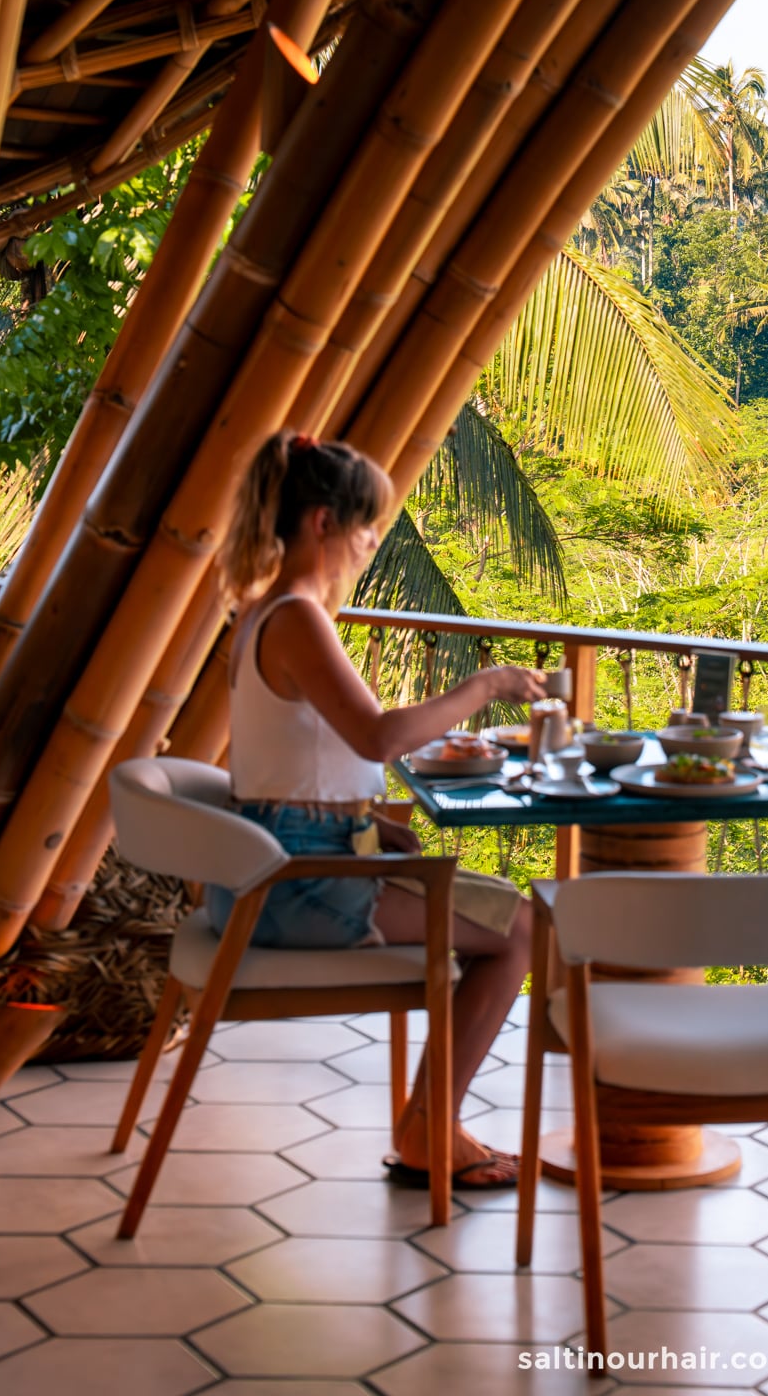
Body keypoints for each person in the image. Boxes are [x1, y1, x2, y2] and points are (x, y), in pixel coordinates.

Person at [211, 429, 544, 1189]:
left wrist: (368, 822)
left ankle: (432, 1121)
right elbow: (380, 735)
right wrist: (485, 685)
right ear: (324, 522)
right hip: (298, 883)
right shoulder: (297, 616)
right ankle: (432, 1130)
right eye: (367, 526)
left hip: (278, 865)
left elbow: (295, 760)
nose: (371, 543)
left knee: (492, 913)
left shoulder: (262, 610)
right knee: (521, 928)